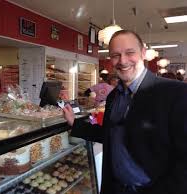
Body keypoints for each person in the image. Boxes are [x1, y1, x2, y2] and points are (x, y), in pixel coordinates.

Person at [63, 30, 187, 194]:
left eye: (130, 53)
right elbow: (109, 134)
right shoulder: (114, 96)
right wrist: (75, 123)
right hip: (114, 187)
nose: (122, 61)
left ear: (143, 52)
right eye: (115, 55)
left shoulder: (175, 93)